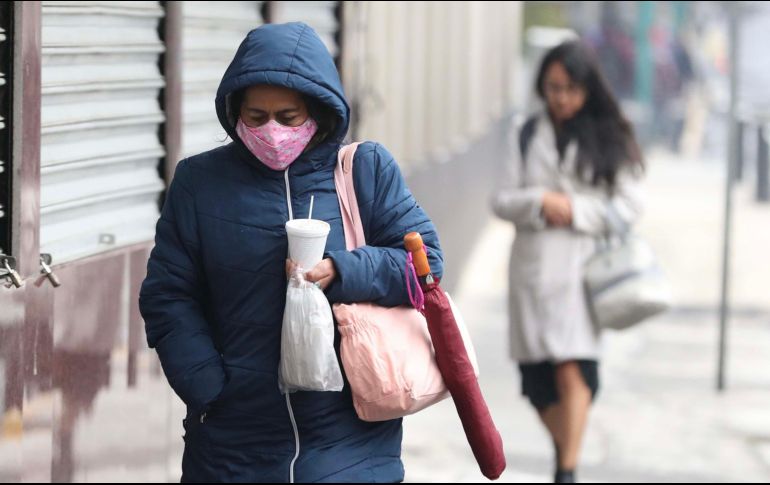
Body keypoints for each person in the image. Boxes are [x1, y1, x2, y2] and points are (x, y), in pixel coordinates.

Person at [139, 22, 443, 483]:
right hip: (233, 446)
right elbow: (167, 294)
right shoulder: (199, 183)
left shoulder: (366, 171)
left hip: (352, 440)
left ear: (317, 111)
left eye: (288, 115)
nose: (272, 130)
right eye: (256, 117)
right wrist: (209, 388)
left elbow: (425, 267)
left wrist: (341, 270)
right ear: (235, 113)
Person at [492, 41, 644, 484]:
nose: (561, 98)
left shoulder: (612, 136)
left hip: (583, 276)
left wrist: (575, 209)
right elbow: (501, 200)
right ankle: (568, 456)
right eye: (553, 87)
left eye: (571, 89)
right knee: (537, 386)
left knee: (575, 369)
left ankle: (567, 471)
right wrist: (541, 203)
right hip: (533, 275)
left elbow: (630, 206)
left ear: (587, 89)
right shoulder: (523, 132)